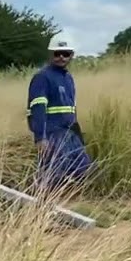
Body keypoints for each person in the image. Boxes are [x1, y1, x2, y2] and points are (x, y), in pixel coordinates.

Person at [27, 31, 92, 192]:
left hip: (69, 133)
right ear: (51, 54)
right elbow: (38, 108)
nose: (61, 57)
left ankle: (65, 204)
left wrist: (77, 133)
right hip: (52, 133)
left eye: (66, 53)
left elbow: (71, 108)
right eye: (57, 53)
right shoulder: (42, 77)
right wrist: (40, 138)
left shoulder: (68, 78)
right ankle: (41, 208)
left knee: (83, 168)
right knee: (53, 175)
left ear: (72, 55)